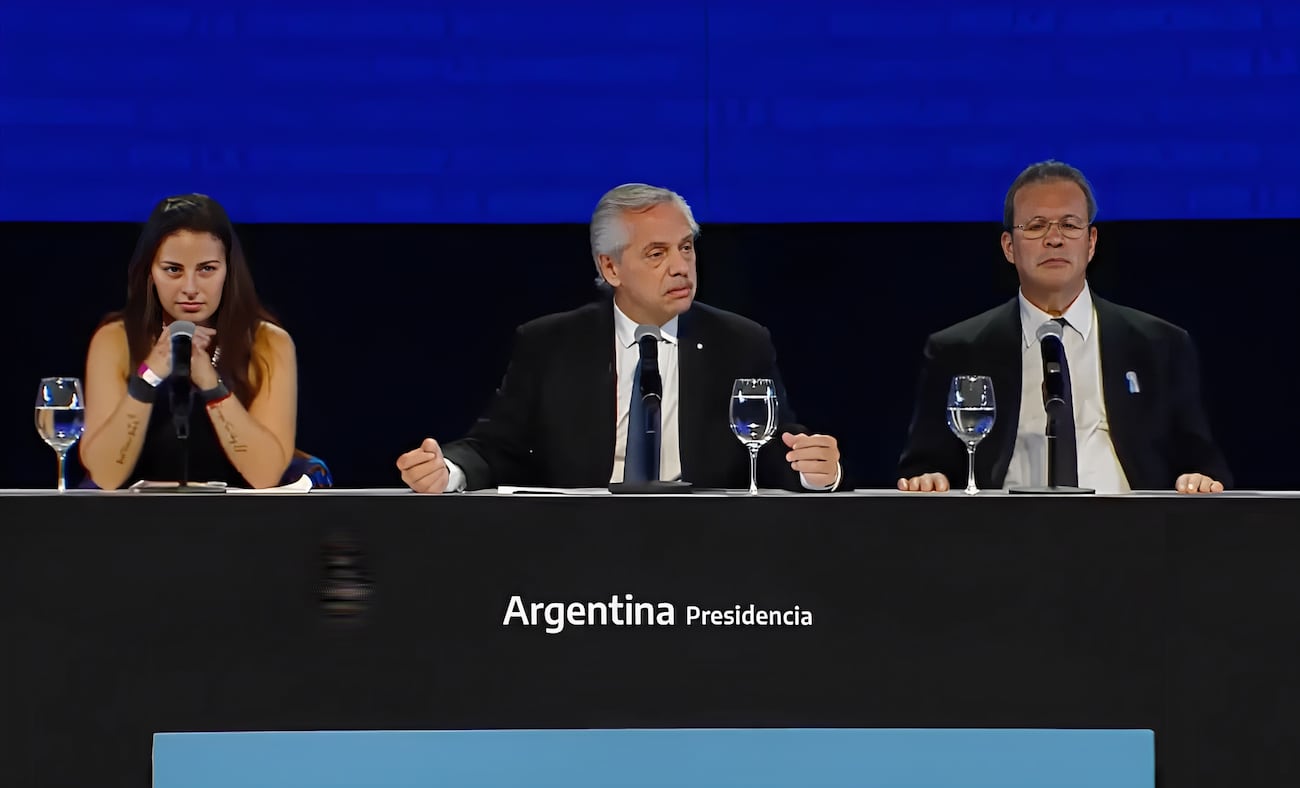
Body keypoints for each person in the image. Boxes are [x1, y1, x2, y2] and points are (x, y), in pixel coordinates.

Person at [397, 183, 842, 493]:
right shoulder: (550, 344)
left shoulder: (739, 343)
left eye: (686, 247)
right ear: (610, 268)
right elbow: (496, 447)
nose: (680, 267)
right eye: (656, 253)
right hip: (580, 549)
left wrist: (817, 470)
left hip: (708, 547)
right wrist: (448, 470)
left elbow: (772, 448)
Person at [897, 160, 1230, 494]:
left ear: (1091, 242)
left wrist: (1197, 478)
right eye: (1036, 226)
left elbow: (1202, 464)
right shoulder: (958, 349)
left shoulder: (1159, 345)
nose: (1054, 239)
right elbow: (923, 467)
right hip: (1001, 535)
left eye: (1070, 225)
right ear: (1009, 247)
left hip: (1131, 534)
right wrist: (929, 478)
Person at [79, 194, 297, 489]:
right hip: (129, 527)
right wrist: (149, 376)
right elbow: (104, 476)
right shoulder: (115, 340)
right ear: (150, 273)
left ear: (228, 272)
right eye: (173, 270)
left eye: (207, 269)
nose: (190, 288)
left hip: (243, 528)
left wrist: (209, 381)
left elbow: (265, 476)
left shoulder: (268, 345)